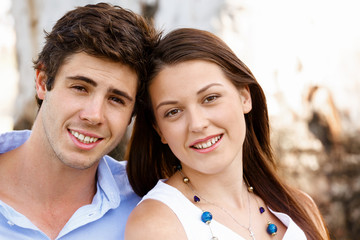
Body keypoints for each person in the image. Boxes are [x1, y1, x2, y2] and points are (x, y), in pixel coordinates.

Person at [125, 28, 330, 240]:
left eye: (210, 98)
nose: (197, 124)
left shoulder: (300, 207)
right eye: (173, 112)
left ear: (244, 97)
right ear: (159, 129)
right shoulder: (156, 225)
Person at [0, 3, 158, 240]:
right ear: (43, 82)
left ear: (132, 113)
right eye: (80, 88)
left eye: (116, 99)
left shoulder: (149, 203)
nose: (94, 115)